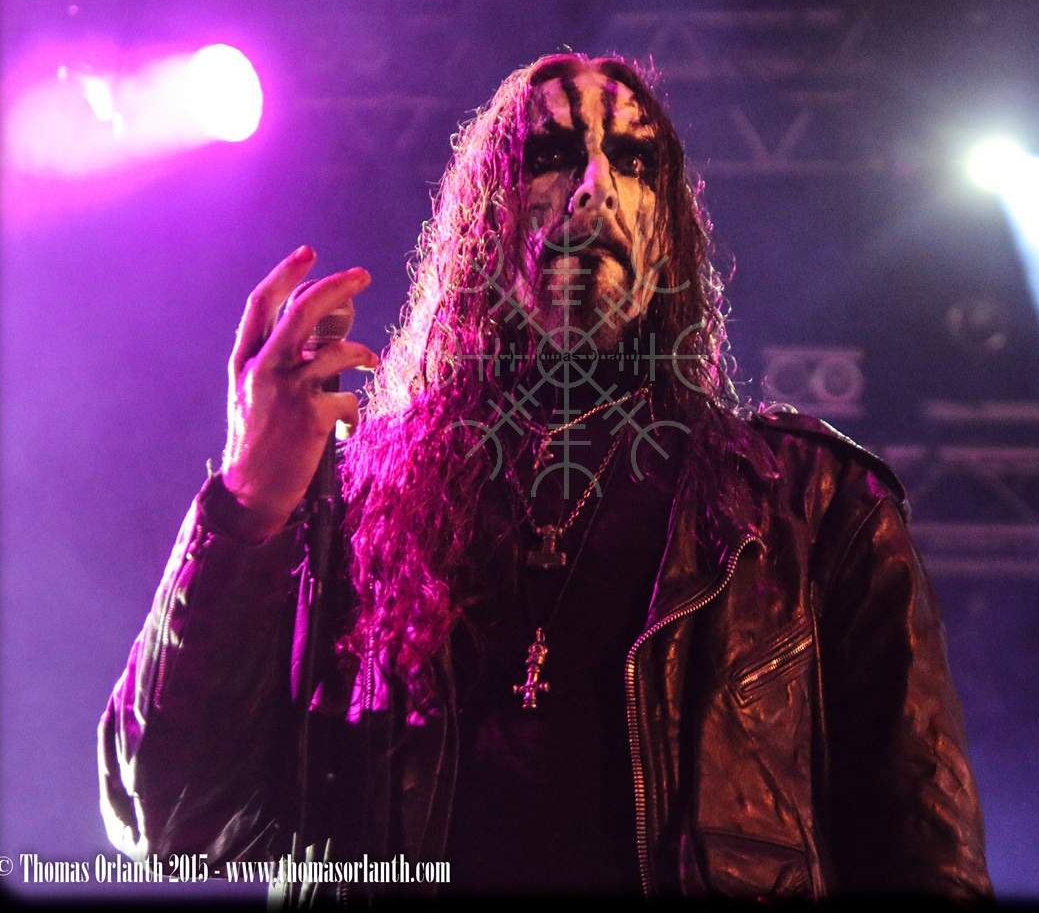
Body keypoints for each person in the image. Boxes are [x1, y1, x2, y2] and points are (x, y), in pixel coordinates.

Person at [99, 53, 993, 901]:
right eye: (552, 155)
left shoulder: (812, 506)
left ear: (671, 232)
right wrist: (250, 503)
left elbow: (928, 859)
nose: (594, 186)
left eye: (633, 161)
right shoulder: (347, 506)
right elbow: (168, 815)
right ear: (480, 222)